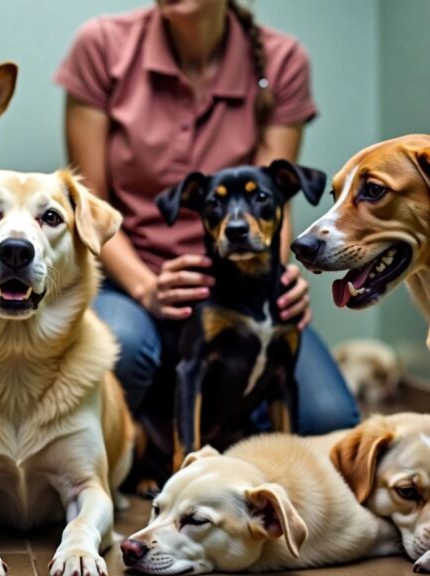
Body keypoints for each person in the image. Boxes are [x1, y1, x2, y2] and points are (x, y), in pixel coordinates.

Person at [55, 0, 359, 483]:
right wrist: (146, 288)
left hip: (243, 282)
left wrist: (279, 279)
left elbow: (275, 203)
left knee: (328, 420)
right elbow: (88, 208)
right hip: (132, 276)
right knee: (122, 348)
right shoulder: (103, 46)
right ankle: (118, 466)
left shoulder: (281, 61)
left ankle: (237, 445)